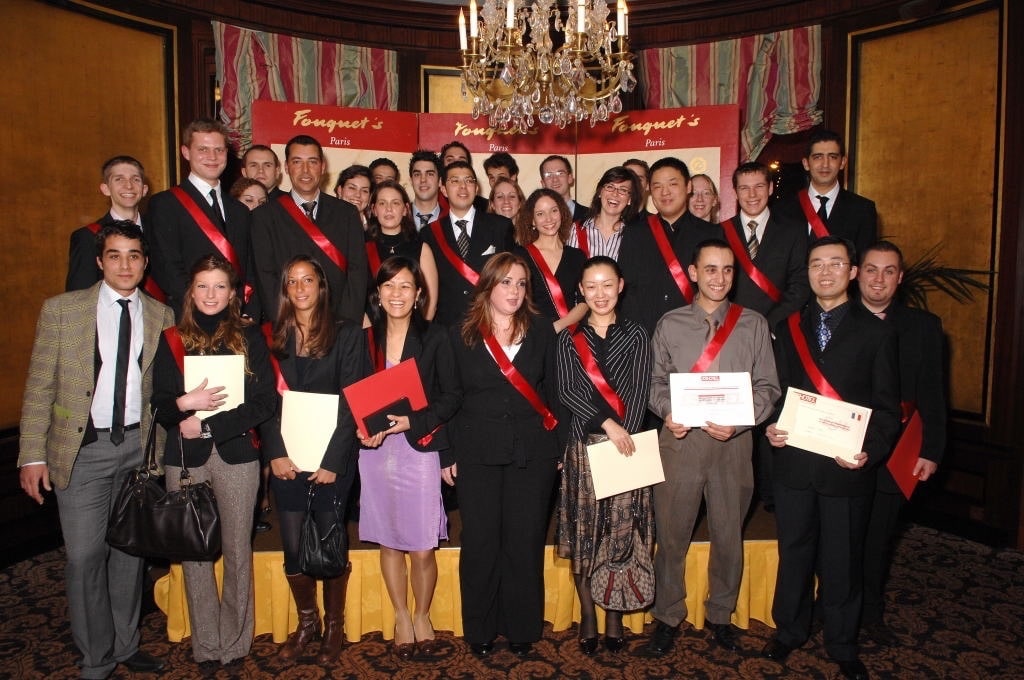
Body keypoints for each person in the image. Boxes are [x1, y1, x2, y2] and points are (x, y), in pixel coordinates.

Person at [19, 222, 174, 679]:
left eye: (133, 256)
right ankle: (96, 658)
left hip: (139, 450)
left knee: (129, 552)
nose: (124, 264)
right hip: (82, 450)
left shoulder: (162, 315)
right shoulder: (63, 311)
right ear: (99, 261)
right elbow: (38, 387)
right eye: (114, 255)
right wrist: (32, 454)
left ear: (145, 264)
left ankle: (126, 645)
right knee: (85, 556)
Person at [763, 236, 900, 680]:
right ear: (807, 272)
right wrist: (772, 426)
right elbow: (778, 393)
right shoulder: (788, 327)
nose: (826, 272)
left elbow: (887, 408)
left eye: (836, 263)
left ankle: (843, 643)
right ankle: (789, 632)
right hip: (795, 464)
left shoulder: (877, 332)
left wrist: (869, 451)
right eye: (817, 264)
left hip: (846, 467)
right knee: (794, 553)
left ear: (853, 272)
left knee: (843, 560)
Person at [644, 240, 780, 657]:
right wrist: (668, 412)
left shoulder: (753, 323)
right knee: (671, 535)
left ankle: (720, 614)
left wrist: (741, 420)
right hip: (680, 444)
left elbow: (768, 387)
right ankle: (667, 616)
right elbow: (654, 384)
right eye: (710, 269)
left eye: (726, 270)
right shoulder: (670, 323)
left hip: (733, 447)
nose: (719, 278)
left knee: (728, 535)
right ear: (692, 273)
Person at [151, 253, 277, 669]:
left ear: (233, 292)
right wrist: (184, 405)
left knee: (238, 552)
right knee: (194, 555)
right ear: (191, 290)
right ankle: (207, 647)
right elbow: (159, 406)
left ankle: (235, 644)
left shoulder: (250, 337)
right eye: (203, 285)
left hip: (237, 455)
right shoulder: (171, 338)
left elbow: (264, 402)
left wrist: (207, 426)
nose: (210, 294)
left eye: (219, 286)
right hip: (184, 460)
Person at [444, 253, 562, 658]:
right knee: (479, 541)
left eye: (521, 283)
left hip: (533, 453)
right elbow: (450, 396)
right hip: (476, 451)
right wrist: (446, 452)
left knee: (524, 541)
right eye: (506, 282)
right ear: (488, 286)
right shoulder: (461, 334)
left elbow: (557, 392)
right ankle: (479, 628)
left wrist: (558, 447)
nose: (514, 291)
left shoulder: (543, 330)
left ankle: (522, 628)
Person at [260, 255, 367, 665]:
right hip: (286, 459)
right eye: (293, 281)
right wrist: (276, 453)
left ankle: (334, 627)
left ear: (321, 287)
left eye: (309, 280)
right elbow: (265, 403)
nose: (301, 288)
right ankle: (308, 623)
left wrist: (333, 460)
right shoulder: (269, 337)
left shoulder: (348, 334)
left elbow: (352, 401)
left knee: (329, 541)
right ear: (285, 289)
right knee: (292, 547)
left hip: (330, 461)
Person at [357, 256, 462, 660]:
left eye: (405, 286)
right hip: (376, 450)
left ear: (418, 294)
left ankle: (422, 613)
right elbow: (352, 393)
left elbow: (451, 396)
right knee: (389, 539)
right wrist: (360, 429)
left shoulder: (437, 337)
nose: (396, 294)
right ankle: (401, 614)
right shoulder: (363, 339)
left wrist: (412, 422)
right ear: (378, 294)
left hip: (420, 446)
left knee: (421, 545)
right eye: (389, 286)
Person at [556, 256, 653, 656]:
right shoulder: (568, 338)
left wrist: (619, 430)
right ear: (580, 290)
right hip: (583, 446)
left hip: (626, 449)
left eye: (607, 285)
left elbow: (639, 389)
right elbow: (567, 390)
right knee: (585, 535)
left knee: (619, 534)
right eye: (591, 286)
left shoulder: (637, 335)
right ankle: (588, 615)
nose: (599, 293)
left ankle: (613, 614)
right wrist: (605, 424)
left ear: (621, 286)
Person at [857, 240, 946, 646]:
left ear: (900, 277)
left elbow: (933, 393)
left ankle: (870, 614)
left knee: (877, 538)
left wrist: (931, 450)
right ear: (857, 273)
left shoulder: (923, 327)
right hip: (844, 443)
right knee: (838, 534)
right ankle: (829, 606)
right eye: (872, 269)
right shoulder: (837, 320)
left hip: (897, 449)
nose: (879, 279)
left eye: (888, 271)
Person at [723, 161, 809, 513]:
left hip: (777, 335)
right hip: (731, 337)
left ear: (770, 188)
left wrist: (767, 325)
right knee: (735, 415)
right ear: (736, 192)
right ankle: (737, 494)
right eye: (744, 188)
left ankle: (771, 498)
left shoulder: (793, 230)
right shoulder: (723, 231)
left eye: (759, 186)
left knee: (771, 412)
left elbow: (800, 286)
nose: (752, 194)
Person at [250, 134, 369, 324]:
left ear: (322, 167)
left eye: (312, 162)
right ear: (287, 167)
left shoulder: (346, 213)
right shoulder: (265, 216)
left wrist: (347, 324)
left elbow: (357, 272)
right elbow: (266, 277)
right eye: (297, 162)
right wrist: (285, 323)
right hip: (288, 326)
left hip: (338, 324)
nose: (305, 170)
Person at [147, 118, 259, 318]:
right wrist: (205, 309)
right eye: (203, 149)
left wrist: (244, 307)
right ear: (186, 152)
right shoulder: (165, 204)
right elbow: (167, 268)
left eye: (219, 149)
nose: (212, 157)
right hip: (190, 317)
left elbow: (249, 267)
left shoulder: (240, 210)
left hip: (235, 317)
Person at [618, 157, 722, 336]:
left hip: (695, 335)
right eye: (657, 186)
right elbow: (626, 289)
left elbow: (719, 287)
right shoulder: (635, 232)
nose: (664, 192)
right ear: (650, 190)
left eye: (672, 184)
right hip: (644, 336)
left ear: (688, 187)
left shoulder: (711, 234)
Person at [419, 160, 513, 326]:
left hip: (491, 324)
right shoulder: (429, 234)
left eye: (469, 181)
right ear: (443, 190)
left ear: (476, 189)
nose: (463, 187)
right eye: (455, 181)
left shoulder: (500, 226)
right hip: (447, 328)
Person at [774, 129, 878, 259]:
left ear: (843, 162)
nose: (825, 164)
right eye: (818, 157)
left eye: (833, 157)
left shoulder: (862, 209)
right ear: (806, 163)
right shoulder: (782, 209)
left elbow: (864, 264)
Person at [66, 155, 149, 292]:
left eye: (135, 179)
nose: (128, 185)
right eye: (119, 179)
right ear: (105, 189)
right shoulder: (87, 237)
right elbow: (78, 295)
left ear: (144, 189)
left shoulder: (157, 230)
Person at [512, 188, 587, 332]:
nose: (549, 219)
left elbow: (585, 302)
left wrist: (558, 326)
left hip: (569, 334)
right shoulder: (520, 256)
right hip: (532, 334)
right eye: (540, 214)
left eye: (554, 211)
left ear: (562, 213)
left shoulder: (577, 256)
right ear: (532, 220)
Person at [365, 180, 439, 321]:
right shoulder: (363, 247)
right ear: (374, 210)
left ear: (405, 209)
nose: (388, 209)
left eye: (395, 203)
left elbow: (430, 302)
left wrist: (420, 335)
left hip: (414, 330)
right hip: (372, 331)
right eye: (382, 203)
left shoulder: (421, 248)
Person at [567, 166, 640, 261]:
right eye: (610, 187)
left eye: (623, 190)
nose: (615, 194)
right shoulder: (576, 230)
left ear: (629, 199)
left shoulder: (635, 235)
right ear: (600, 192)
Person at [440, 141, 489, 212]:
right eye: (450, 160)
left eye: (461, 160)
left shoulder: (485, 206)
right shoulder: (432, 202)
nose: (456, 163)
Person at [540, 154, 588, 223]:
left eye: (560, 173)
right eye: (549, 175)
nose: (555, 179)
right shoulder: (536, 219)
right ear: (543, 183)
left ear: (570, 178)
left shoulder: (590, 216)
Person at [408, 150, 445, 231]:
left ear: (440, 181)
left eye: (430, 174)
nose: (423, 180)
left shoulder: (450, 218)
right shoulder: (399, 216)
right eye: (417, 174)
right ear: (411, 181)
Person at [334, 164, 373, 229]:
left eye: (364, 191)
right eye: (352, 188)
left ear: (370, 196)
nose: (358, 195)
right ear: (340, 190)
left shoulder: (377, 229)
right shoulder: (325, 222)